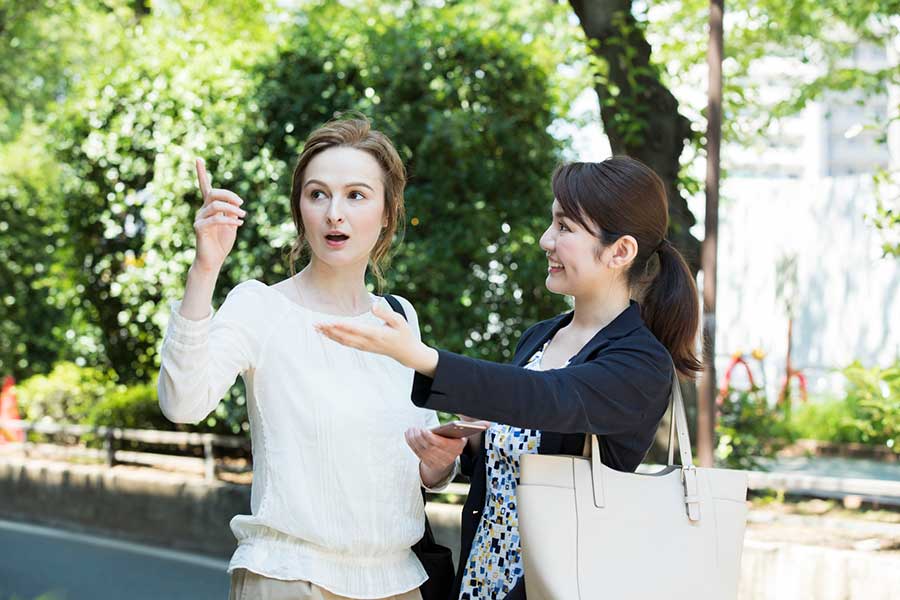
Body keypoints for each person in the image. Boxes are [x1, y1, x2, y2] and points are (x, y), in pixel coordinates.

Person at [316, 156, 702, 600]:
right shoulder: (539, 338)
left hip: (556, 588)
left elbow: (549, 399)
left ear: (620, 251)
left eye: (565, 227)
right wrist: (461, 449)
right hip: (481, 581)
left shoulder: (638, 362)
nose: (546, 240)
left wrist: (423, 358)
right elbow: (516, 459)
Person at [157, 116, 464, 600]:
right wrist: (205, 268)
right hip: (287, 577)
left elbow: (418, 458)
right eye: (317, 194)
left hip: (399, 580)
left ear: (387, 213)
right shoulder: (260, 305)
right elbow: (182, 403)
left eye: (356, 195)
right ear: (300, 209)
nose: (333, 213)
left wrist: (438, 466)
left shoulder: (399, 318)